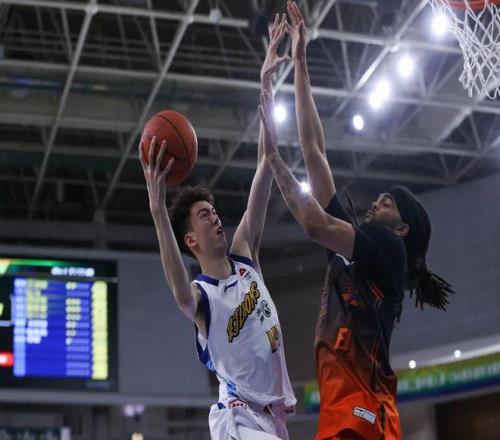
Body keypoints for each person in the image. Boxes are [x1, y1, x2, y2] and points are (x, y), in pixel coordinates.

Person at [258, 4, 454, 438]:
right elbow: (313, 149)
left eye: (389, 203)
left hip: (364, 414)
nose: (378, 202)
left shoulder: (389, 250)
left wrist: (272, 158)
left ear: (402, 229)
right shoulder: (355, 250)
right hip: (346, 412)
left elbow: (312, 222)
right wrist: (300, 61)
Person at [139, 14, 296, 440]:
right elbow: (179, 292)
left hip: (274, 418)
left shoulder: (245, 257)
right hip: (238, 419)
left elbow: (265, 164)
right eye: (204, 215)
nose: (215, 217)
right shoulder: (201, 297)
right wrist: (157, 210)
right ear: (190, 239)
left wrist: (266, 83)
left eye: (214, 211)